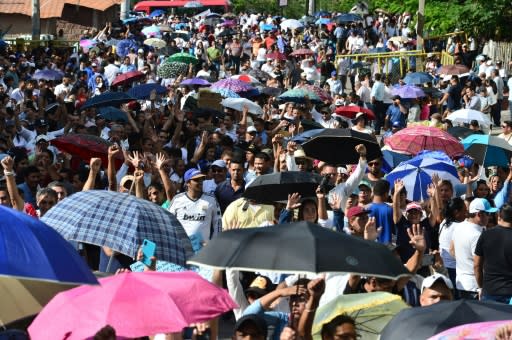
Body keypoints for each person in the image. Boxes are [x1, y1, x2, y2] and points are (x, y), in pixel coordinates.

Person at [450, 198, 497, 299]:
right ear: (479, 214)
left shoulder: (459, 227)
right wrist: (480, 288)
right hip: (475, 289)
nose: (490, 217)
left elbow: (452, 251)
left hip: (461, 284)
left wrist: (464, 262)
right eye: (488, 214)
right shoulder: (478, 235)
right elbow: (477, 265)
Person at [168, 168, 222, 250]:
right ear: (187, 183)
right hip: (181, 248)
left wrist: (213, 244)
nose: (200, 182)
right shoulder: (177, 200)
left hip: (203, 249)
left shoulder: (211, 200)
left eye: (202, 179)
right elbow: (169, 223)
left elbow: (218, 224)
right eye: (196, 180)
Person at [475, 204, 512, 303]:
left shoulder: (486, 235)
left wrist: (480, 287)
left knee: (490, 319)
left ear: (498, 216)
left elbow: (477, 265)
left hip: (490, 292)